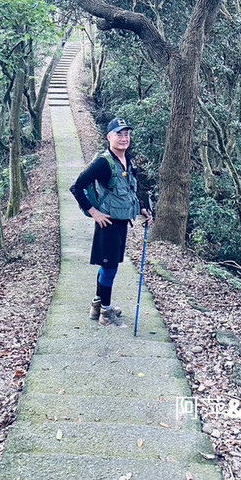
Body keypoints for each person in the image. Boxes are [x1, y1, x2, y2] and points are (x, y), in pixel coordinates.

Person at [70, 117, 153, 327]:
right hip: (107, 222)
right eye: (119, 134)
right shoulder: (103, 162)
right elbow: (76, 187)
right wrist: (93, 212)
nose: (124, 138)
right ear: (109, 137)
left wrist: (142, 208)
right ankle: (106, 314)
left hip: (122, 220)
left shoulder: (128, 160)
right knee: (110, 268)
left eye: (127, 134)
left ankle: (98, 304)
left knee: (109, 265)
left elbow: (131, 188)